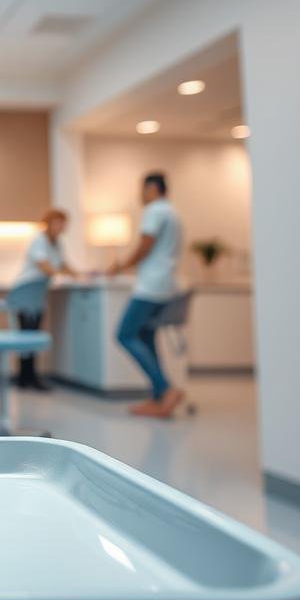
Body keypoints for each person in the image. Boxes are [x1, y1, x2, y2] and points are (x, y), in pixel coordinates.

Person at [107, 172, 186, 418]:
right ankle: (158, 398)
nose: (140, 195)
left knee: (125, 334)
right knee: (146, 337)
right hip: (166, 284)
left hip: (151, 285)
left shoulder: (154, 211)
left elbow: (145, 245)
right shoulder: (173, 213)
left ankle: (166, 388)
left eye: (142, 190)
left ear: (152, 189)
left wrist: (120, 265)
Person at [12, 208, 76, 390]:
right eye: (58, 223)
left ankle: (32, 376)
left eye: (64, 224)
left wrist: (78, 275)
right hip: (26, 291)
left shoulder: (58, 243)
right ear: (49, 223)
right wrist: (60, 274)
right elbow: (44, 266)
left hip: (38, 293)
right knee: (26, 335)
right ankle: (24, 377)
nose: (62, 227)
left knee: (34, 334)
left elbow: (63, 263)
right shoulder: (38, 241)